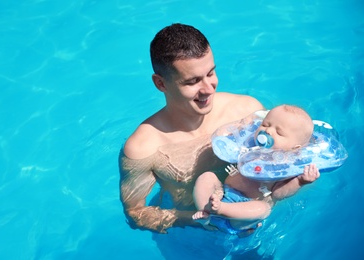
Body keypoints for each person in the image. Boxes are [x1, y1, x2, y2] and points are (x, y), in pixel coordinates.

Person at [119, 23, 265, 233]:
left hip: (256, 224)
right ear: (161, 84)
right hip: (196, 238)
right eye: (193, 81)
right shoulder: (143, 148)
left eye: (211, 73)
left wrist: (255, 210)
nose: (208, 89)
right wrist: (209, 221)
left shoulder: (246, 112)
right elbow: (136, 214)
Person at [192, 105, 320, 235]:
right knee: (207, 177)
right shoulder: (249, 146)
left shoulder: (287, 168)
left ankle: (220, 210)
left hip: (244, 212)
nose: (268, 131)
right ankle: (205, 211)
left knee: (263, 209)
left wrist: (299, 182)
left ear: (294, 148)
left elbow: (278, 194)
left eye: (279, 132)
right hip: (223, 193)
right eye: (265, 124)